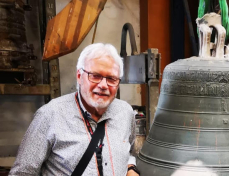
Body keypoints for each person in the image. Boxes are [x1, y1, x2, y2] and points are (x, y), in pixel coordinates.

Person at [10, 43, 140, 176]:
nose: (103, 85)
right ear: (79, 76)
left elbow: (129, 152)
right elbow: (22, 173)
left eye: (111, 79)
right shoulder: (50, 115)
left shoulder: (125, 112)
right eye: (95, 76)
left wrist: (130, 168)